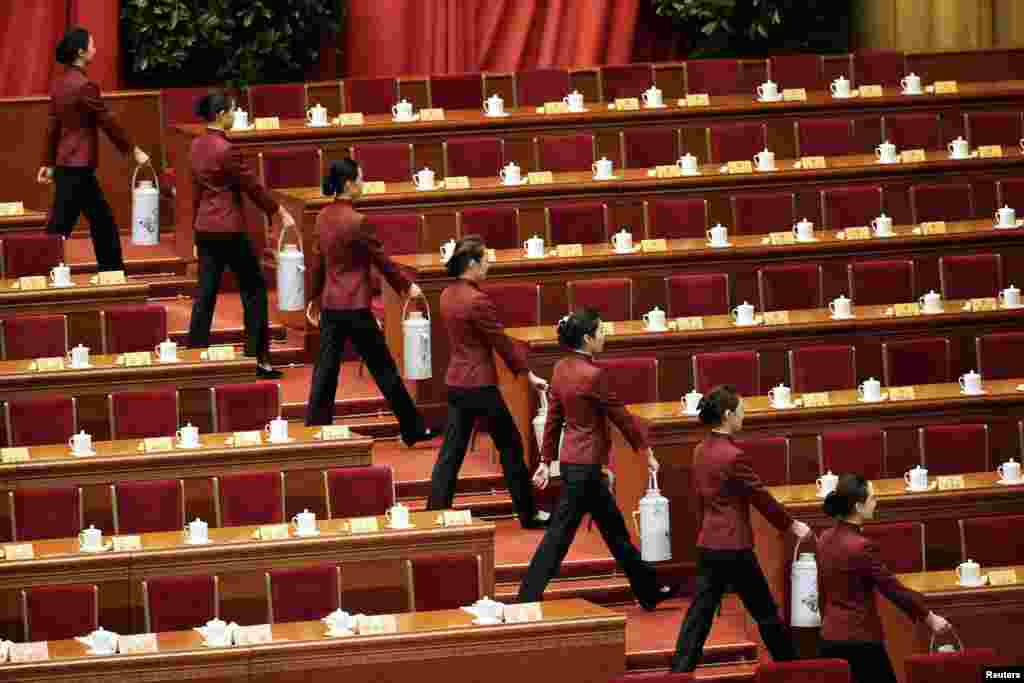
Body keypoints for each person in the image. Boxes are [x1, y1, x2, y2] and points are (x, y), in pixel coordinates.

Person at [517, 308, 677, 608]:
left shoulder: (561, 368)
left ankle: (648, 591)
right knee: (559, 538)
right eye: (601, 331)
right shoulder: (594, 375)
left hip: (572, 463)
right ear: (588, 338)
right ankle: (526, 597)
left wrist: (544, 461)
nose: (605, 335)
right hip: (587, 468)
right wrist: (646, 454)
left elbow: (553, 421)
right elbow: (622, 419)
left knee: (614, 533)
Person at [671, 385, 812, 672]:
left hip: (709, 542)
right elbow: (759, 496)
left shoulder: (699, 450)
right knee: (766, 613)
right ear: (727, 415)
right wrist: (791, 524)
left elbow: (700, 498)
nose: (743, 416)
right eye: (740, 412)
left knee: (700, 614)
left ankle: (680, 672)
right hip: (734, 546)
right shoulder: (733, 455)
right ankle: (792, 670)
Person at [305, 158, 432, 446]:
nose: (364, 183)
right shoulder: (358, 221)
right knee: (384, 370)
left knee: (325, 371)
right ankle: (412, 429)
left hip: (330, 305)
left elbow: (318, 265)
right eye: (361, 179)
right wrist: (406, 286)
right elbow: (382, 261)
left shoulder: (322, 217)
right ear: (349, 184)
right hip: (356, 306)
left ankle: (314, 428)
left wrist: (313, 298)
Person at [427, 235, 550, 529]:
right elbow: (501, 343)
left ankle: (434, 510)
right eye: (485, 260)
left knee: (451, 452)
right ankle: (528, 512)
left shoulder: (446, 295)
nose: (489, 264)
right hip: (480, 384)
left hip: (456, 381)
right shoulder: (477, 300)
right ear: (471, 264)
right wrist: (528, 375)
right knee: (510, 444)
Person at [187, 93, 293, 379]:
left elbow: (195, 192)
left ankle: (193, 356)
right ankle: (259, 359)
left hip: (205, 228)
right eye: (233, 110)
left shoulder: (196, 145)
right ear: (222, 114)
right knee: (254, 291)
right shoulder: (226, 149)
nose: (236, 114)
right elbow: (251, 185)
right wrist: (277, 210)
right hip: (230, 229)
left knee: (205, 295)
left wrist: (194, 234)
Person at [818, 473, 951, 683]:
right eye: (872, 498)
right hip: (860, 641)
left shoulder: (824, 538)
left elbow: (822, 590)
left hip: (829, 638)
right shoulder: (861, 547)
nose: (876, 502)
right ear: (858, 507)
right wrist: (929, 617)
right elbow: (892, 589)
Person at [37, 26, 150, 272]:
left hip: (67, 165)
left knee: (86, 222)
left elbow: (52, 127)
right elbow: (106, 121)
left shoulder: (59, 84)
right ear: (80, 52)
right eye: (92, 44)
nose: (95, 49)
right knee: (72, 225)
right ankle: (37, 271)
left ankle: (109, 271)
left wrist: (47, 162)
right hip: (79, 166)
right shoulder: (85, 86)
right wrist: (133, 150)